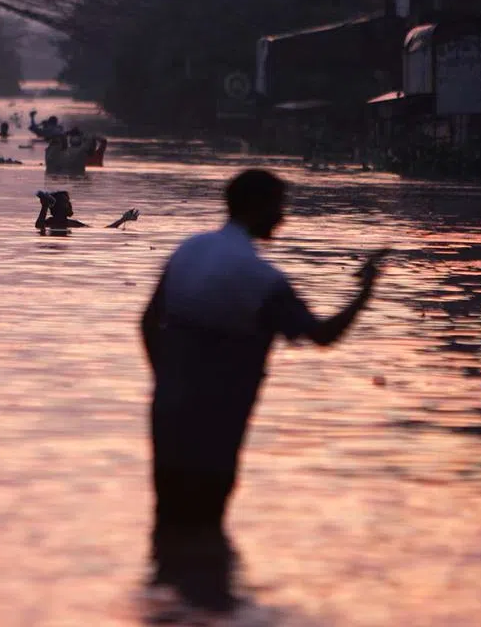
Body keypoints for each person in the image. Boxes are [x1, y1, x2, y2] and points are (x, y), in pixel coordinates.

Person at [140, 169, 384, 613]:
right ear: (256, 208)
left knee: (167, 522)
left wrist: (167, 380)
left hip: (169, 410)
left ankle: (166, 609)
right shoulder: (261, 279)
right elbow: (323, 335)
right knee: (207, 526)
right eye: (278, 207)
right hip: (219, 422)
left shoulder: (188, 252)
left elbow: (146, 323)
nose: (282, 218)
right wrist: (365, 292)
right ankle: (206, 609)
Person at [34, 190, 138, 235]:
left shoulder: (74, 223)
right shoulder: (51, 222)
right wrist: (44, 206)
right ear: (57, 206)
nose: (70, 205)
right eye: (66, 202)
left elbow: (103, 230)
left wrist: (123, 219)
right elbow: (39, 226)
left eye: (69, 202)